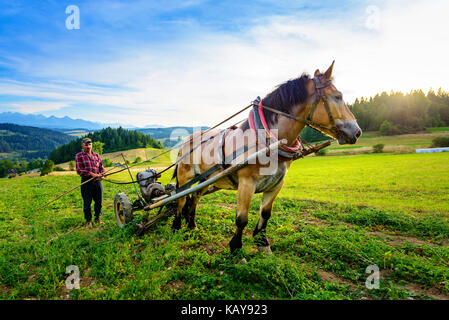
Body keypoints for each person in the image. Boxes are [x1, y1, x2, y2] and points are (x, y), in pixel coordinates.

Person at [75, 138, 105, 228]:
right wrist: (91, 174)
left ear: (91, 145)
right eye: (86, 144)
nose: (88, 146)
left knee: (99, 202)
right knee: (87, 202)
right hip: (86, 182)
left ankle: (97, 218)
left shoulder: (96, 155)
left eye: (89, 144)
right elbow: (79, 170)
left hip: (97, 182)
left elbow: (101, 167)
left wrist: (102, 175)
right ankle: (88, 221)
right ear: (82, 146)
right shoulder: (79, 156)